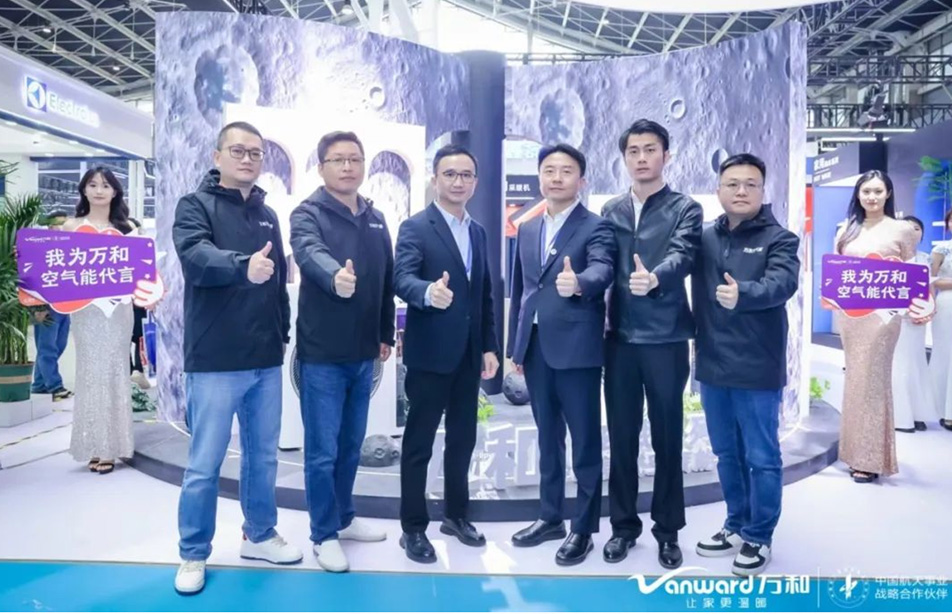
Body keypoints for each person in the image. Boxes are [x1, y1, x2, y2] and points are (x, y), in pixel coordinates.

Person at [173, 121, 302, 595]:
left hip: (264, 358)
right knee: (204, 464)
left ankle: (259, 535)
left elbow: (279, 278)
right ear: (217, 156)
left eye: (255, 153)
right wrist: (242, 266)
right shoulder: (195, 205)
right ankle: (193, 552)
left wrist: (281, 334)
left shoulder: (267, 214)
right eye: (238, 151)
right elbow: (196, 257)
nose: (248, 159)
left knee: (262, 457)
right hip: (215, 358)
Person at [600, 119, 703, 569]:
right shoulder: (611, 210)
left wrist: (655, 277)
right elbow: (600, 263)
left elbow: (685, 254)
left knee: (667, 438)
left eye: (650, 149)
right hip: (619, 339)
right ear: (624, 158)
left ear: (667, 155)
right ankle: (623, 528)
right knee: (621, 437)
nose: (642, 158)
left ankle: (668, 531)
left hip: (666, 338)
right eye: (634, 151)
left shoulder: (686, 208)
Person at [289, 131, 394, 573]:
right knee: (322, 451)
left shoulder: (376, 217)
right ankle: (323, 534)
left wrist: (385, 333)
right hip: (322, 355)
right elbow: (308, 252)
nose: (348, 167)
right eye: (338, 160)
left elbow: (386, 279)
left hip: (364, 352)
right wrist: (335, 276)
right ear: (321, 168)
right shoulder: (307, 214)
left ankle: (345, 517)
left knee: (351, 446)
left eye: (355, 159)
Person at [691, 154, 800, 577]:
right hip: (713, 363)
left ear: (762, 190)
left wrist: (745, 294)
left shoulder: (780, 239)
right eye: (732, 183)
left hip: (757, 366)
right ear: (718, 190)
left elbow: (783, 283)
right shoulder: (705, 237)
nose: (741, 191)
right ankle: (735, 523)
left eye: (750, 184)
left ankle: (759, 535)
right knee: (726, 453)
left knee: (762, 456)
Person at [507, 144, 614, 566]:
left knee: (585, 442)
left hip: (577, 349)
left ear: (581, 180)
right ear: (539, 178)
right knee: (547, 438)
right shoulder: (528, 228)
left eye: (566, 171)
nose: (556, 177)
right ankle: (549, 516)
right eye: (549, 170)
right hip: (536, 348)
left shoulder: (596, 226)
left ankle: (582, 529)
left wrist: (581, 283)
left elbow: (603, 268)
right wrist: (517, 346)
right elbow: (522, 291)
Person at [393, 145, 500, 564]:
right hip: (430, 354)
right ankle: (412, 528)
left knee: (463, 440)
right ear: (435, 179)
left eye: (466, 175)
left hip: (469, 356)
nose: (458, 182)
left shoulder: (478, 232)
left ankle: (456, 516)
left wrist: (489, 346)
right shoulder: (416, 227)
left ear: (475, 182)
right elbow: (402, 278)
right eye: (450, 174)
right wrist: (426, 292)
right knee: (419, 443)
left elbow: (484, 294)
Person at [834, 170, 934, 483]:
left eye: (878, 191)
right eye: (866, 191)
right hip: (852, 315)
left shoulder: (902, 230)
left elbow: (915, 273)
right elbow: (836, 272)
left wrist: (922, 305)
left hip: (884, 317)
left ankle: (870, 457)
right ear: (858, 194)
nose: (872, 197)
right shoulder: (846, 230)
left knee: (873, 380)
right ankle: (853, 451)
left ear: (888, 193)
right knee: (855, 379)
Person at [62, 170, 159, 475]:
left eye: (105, 185)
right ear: (84, 190)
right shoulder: (71, 226)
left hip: (118, 311)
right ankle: (94, 444)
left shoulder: (127, 229)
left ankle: (112, 446)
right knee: (90, 372)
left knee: (116, 371)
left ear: (115, 191)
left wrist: (151, 293)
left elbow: (143, 270)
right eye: (92, 185)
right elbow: (59, 268)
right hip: (86, 310)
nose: (99, 190)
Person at [891, 216, 937, 432]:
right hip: (895, 318)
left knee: (917, 364)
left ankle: (918, 413)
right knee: (898, 364)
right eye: (906, 228)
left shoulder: (925, 258)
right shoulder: (890, 256)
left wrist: (930, 310)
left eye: (916, 228)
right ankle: (901, 417)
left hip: (918, 319)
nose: (912, 232)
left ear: (922, 234)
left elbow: (929, 288)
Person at [31, 209, 73, 402]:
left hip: (64, 305)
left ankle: (39, 385)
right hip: (45, 306)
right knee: (47, 348)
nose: (62, 228)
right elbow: (30, 281)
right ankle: (55, 386)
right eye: (58, 224)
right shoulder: (38, 249)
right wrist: (37, 308)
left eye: (65, 224)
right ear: (49, 226)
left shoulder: (70, 249)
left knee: (58, 346)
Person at [928, 209, 952, 431]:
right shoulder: (941, 249)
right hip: (947, 304)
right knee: (945, 354)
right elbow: (931, 280)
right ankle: (944, 411)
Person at [128, 217, 150, 390]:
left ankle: (136, 370)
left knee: (138, 338)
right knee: (135, 338)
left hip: (137, 303)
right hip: (131, 303)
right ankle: (135, 370)